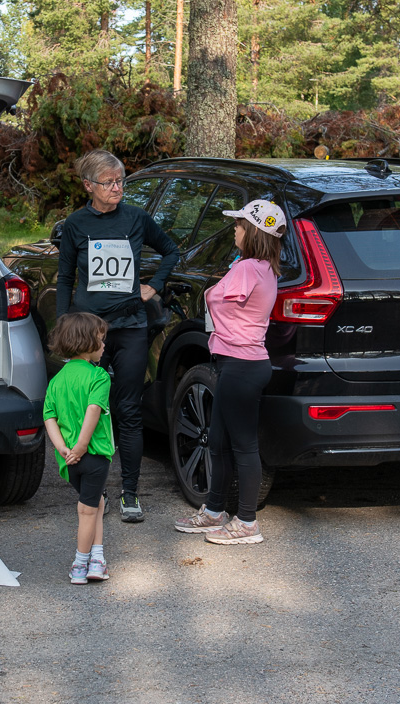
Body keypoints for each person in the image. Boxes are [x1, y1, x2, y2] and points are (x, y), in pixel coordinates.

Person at [56, 149, 180, 523]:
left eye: (120, 181)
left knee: (127, 411)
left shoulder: (137, 218)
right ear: (88, 185)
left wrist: (154, 285)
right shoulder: (75, 224)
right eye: (109, 182)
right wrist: (65, 324)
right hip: (89, 332)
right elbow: (64, 278)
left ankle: (130, 493)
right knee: (86, 410)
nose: (117, 188)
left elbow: (171, 250)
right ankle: (93, 491)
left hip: (129, 327)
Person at [173, 199, 285, 545]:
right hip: (238, 364)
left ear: (252, 231)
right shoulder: (262, 267)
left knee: (243, 446)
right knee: (218, 442)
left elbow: (217, 299)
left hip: (241, 365)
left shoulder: (247, 269)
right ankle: (215, 510)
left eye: (238, 224)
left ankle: (247, 522)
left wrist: (211, 292)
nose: (234, 229)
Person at [43, 312, 115, 584]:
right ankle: (81, 563)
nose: (104, 345)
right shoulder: (99, 376)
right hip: (93, 456)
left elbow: (48, 416)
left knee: (95, 502)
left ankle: (97, 559)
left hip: (68, 461)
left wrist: (63, 449)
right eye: (101, 339)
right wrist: (82, 446)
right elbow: (93, 410)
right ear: (87, 343)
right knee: (87, 510)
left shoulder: (56, 380)